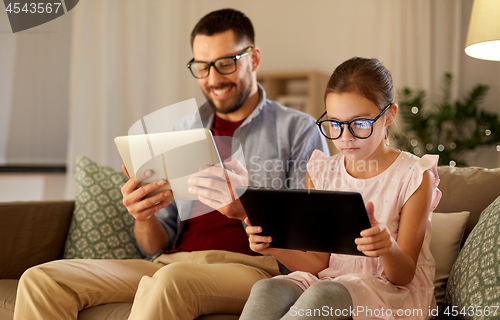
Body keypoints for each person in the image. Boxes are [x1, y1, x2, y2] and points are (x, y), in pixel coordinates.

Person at [13, 8, 328, 320]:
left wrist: (245, 208)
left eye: (225, 64)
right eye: (202, 67)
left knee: (171, 283)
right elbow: (154, 243)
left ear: (253, 58)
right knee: (42, 279)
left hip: (255, 268)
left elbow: (311, 243)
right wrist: (143, 215)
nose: (213, 79)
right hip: (171, 262)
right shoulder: (181, 132)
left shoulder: (298, 131)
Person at [240, 57, 442, 320]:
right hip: (330, 280)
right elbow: (319, 263)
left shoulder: (415, 176)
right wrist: (274, 247)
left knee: (324, 295)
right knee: (267, 288)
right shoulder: (322, 172)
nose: (345, 137)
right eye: (335, 124)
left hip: (390, 292)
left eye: (359, 123)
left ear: (389, 115)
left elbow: (403, 275)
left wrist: (387, 247)